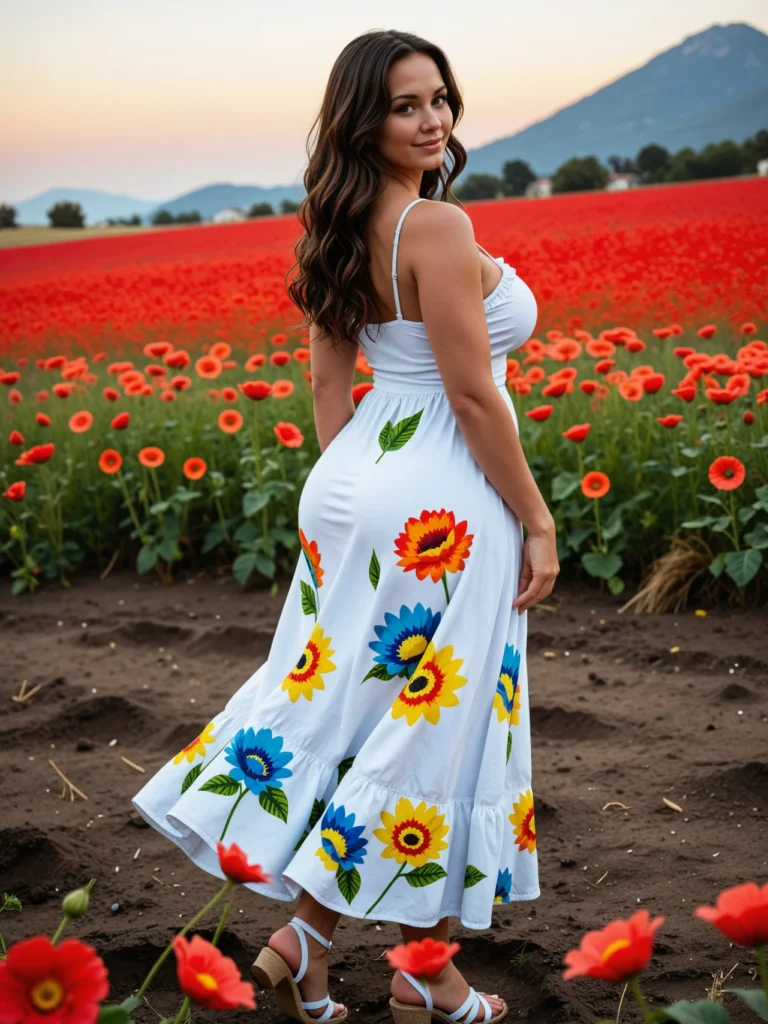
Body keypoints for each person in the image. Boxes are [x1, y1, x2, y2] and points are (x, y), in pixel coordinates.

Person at [131, 27, 559, 1024]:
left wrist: (350, 497)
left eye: (439, 98)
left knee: (365, 710)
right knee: (441, 728)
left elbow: (331, 384)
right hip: (440, 503)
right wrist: (535, 520)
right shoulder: (436, 226)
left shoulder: (334, 224)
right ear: (363, 121)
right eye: (406, 105)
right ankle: (424, 970)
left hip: (355, 483)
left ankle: (308, 946)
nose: (432, 120)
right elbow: (470, 394)